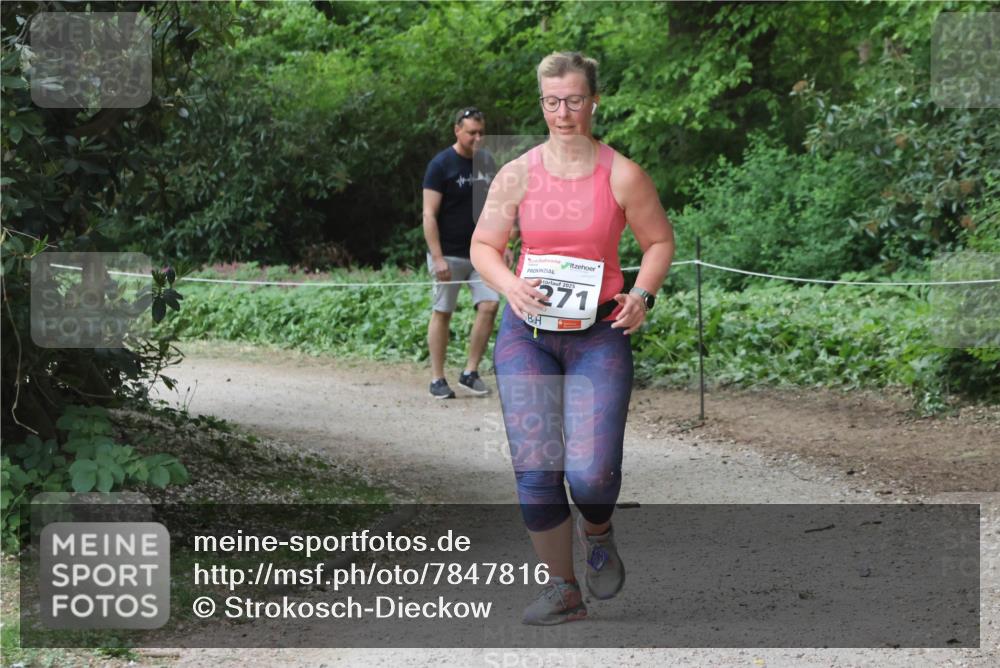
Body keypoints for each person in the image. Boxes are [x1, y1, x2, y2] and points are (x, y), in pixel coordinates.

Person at [470, 52, 675, 625]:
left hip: (598, 334)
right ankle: (563, 590)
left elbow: (659, 242)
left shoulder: (621, 174)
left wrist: (644, 295)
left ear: (594, 101)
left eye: (575, 100)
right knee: (536, 466)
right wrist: (511, 285)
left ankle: (599, 529)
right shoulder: (518, 173)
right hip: (527, 334)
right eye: (552, 101)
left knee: (591, 474)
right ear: (542, 103)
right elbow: (485, 246)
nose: (563, 112)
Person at [422, 107, 515, 399]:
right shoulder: (441, 165)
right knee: (443, 312)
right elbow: (428, 214)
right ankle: (437, 378)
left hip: (482, 252)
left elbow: (497, 206)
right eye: (471, 132)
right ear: (457, 130)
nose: (477, 137)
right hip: (448, 253)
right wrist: (437, 257)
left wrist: (505, 244)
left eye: (481, 132)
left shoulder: (486, 161)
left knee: (489, 305)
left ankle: (470, 372)